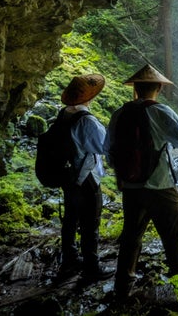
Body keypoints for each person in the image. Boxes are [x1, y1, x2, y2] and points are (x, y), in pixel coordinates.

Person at [106, 64, 178, 298]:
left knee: (131, 236)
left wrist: (122, 178)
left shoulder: (119, 114)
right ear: (158, 87)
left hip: (131, 187)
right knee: (173, 236)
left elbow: (108, 151)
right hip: (160, 185)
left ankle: (122, 285)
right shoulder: (160, 111)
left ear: (136, 88)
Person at [58, 73, 115, 280]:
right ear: (89, 96)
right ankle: (91, 267)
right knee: (91, 222)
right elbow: (104, 146)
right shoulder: (86, 120)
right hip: (86, 177)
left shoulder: (63, 114)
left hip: (68, 175)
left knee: (71, 219)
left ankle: (69, 259)